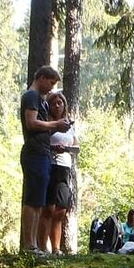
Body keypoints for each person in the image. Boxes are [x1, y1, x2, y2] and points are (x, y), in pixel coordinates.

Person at [20, 65, 73, 255]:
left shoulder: (39, 99)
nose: (51, 88)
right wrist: (55, 124)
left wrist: (57, 128)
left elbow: (42, 126)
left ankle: (34, 245)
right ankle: (29, 245)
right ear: (41, 78)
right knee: (32, 200)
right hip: (34, 152)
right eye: (50, 83)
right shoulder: (31, 96)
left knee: (38, 202)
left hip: (43, 153)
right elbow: (31, 123)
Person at [41, 91, 78, 255]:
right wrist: (54, 148)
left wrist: (67, 148)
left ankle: (56, 248)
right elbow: (41, 143)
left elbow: (77, 147)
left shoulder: (69, 126)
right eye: (54, 103)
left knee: (61, 210)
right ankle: (42, 247)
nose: (57, 105)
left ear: (64, 105)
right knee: (48, 209)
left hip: (65, 169)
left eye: (60, 103)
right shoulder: (46, 124)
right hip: (51, 166)